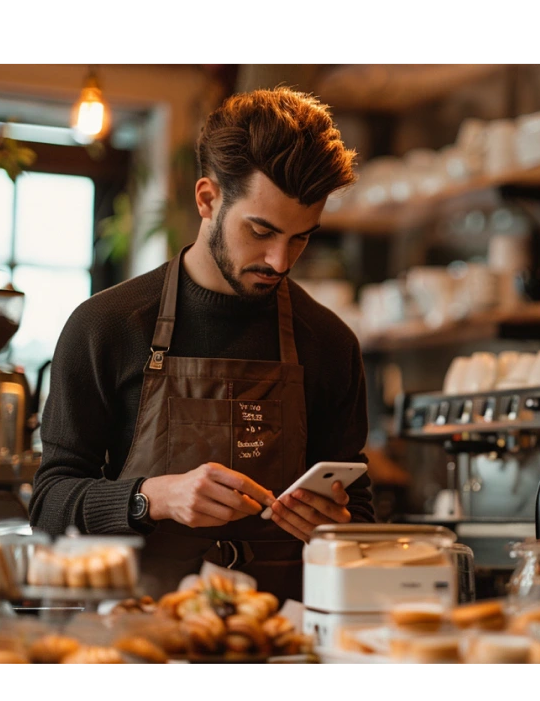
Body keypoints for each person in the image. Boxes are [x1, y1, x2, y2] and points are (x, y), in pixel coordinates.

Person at [29, 86, 375, 604]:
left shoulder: (327, 342)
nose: (280, 261)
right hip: (139, 637)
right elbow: (49, 506)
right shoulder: (107, 325)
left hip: (282, 641)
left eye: (301, 238)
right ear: (208, 198)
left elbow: (361, 516)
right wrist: (152, 497)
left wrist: (336, 527)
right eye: (261, 231)